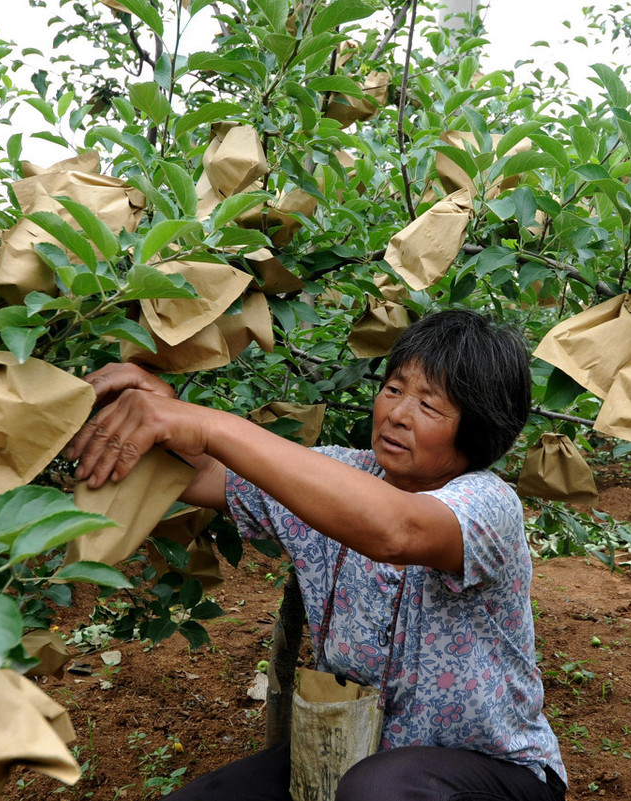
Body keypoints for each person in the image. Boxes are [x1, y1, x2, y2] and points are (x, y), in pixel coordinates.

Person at [64, 309, 568, 801]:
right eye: (393, 389)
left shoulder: (489, 504)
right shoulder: (342, 475)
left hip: (493, 774)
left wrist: (207, 423)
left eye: (429, 406)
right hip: (348, 746)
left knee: (379, 790)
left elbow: (397, 529)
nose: (397, 413)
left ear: (478, 429)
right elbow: (202, 473)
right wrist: (147, 411)